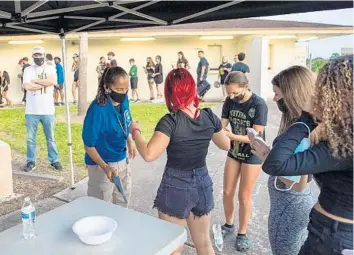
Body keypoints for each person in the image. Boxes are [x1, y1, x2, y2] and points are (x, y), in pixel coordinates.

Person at [250, 56, 353, 255]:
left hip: (333, 235)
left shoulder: (343, 147)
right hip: (329, 230)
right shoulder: (343, 138)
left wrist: (308, 117)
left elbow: (276, 165)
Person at [129, 68, 230, 255]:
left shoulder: (171, 121)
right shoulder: (208, 116)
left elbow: (149, 154)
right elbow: (225, 144)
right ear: (192, 88)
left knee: (173, 248)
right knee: (204, 244)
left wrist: (136, 132)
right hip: (202, 183)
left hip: (176, 184)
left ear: (169, 92)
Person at [250, 66, 317, 255]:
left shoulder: (300, 131)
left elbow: (298, 183)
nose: (274, 99)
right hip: (294, 205)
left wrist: (266, 156)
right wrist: (269, 152)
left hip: (289, 206)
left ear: (293, 93)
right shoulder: (303, 126)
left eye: (278, 94)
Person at [221, 71, 268, 252]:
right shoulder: (229, 101)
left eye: (234, 93)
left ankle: (242, 233)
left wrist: (230, 135)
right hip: (234, 151)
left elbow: (255, 137)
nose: (231, 96)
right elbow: (222, 125)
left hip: (253, 154)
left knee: (244, 195)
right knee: (227, 191)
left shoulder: (259, 104)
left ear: (245, 86)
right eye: (229, 93)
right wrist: (220, 130)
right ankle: (229, 224)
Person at [82, 66, 136, 207]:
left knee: (122, 201)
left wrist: (130, 140)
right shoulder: (97, 110)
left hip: (122, 159)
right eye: (119, 89)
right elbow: (88, 145)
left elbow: (126, 119)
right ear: (107, 87)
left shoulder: (124, 101)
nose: (123, 93)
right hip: (101, 165)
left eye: (126, 89)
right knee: (100, 207)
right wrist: (105, 167)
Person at [22, 46, 62, 172]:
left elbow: (54, 81)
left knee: (51, 137)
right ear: (32, 56)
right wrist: (44, 82)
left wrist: (36, 81)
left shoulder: (50, 67)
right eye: (35, 55)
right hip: (31, 110)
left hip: (47, 110)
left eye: (40, 55)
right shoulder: (28, 69)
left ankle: (54, 160)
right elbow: (27, 86)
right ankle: (30, 161)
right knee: (30, 138)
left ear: (44, 55)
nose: (38, 57)